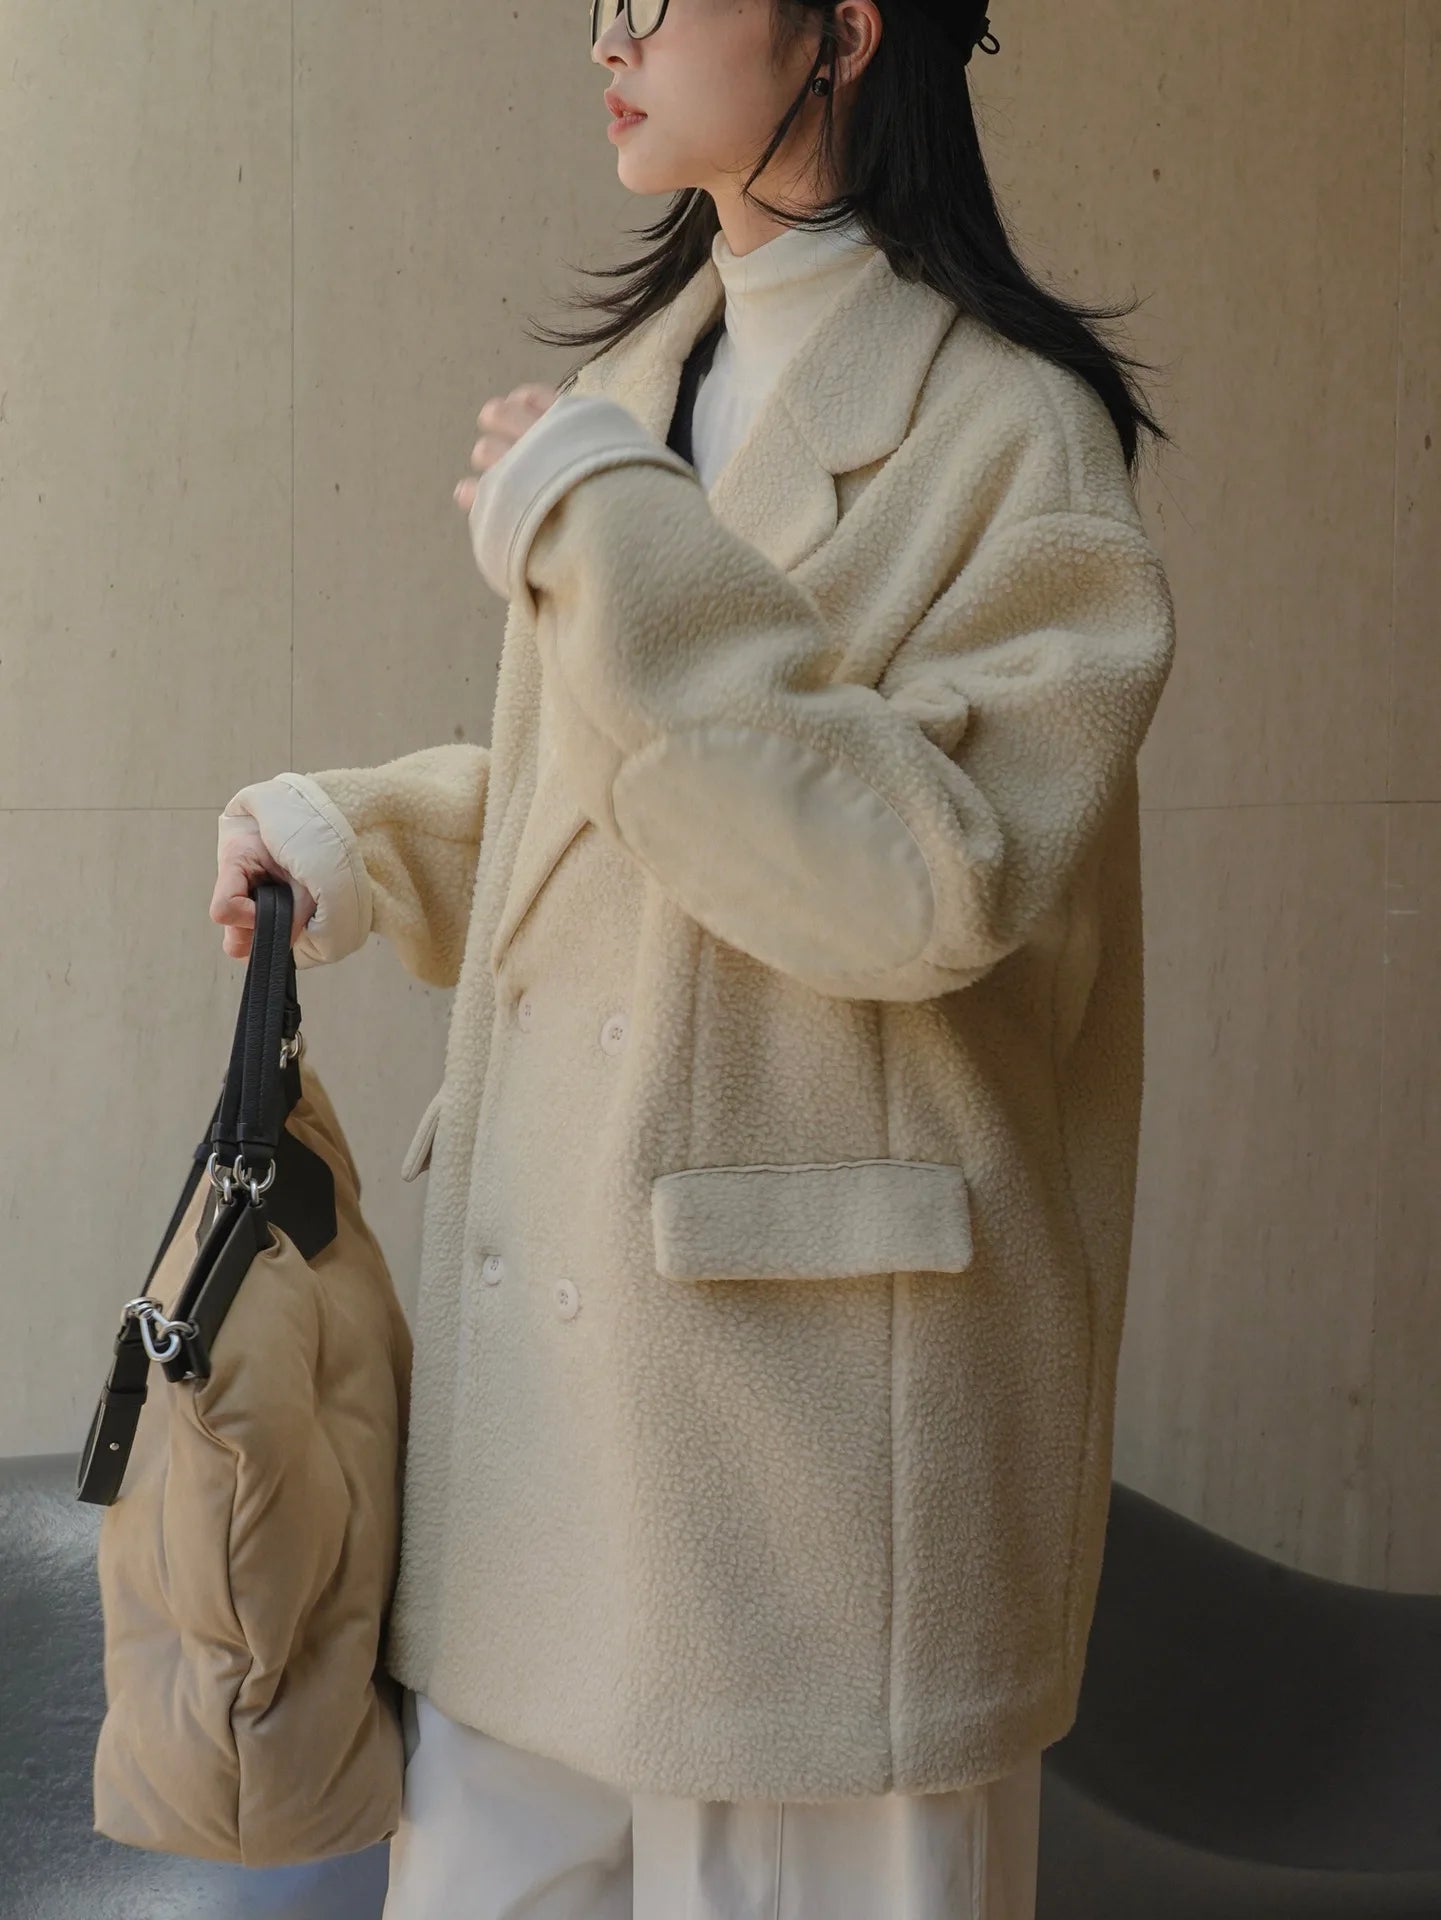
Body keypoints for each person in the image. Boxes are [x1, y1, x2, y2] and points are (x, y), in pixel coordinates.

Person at [210, 0, 1177, 1912]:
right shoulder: (638, 387)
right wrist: (365, 835)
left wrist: (608, 533)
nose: (607, 34)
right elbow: (617, 822)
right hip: (538, 1460)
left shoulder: (1011, 435)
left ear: (844, 29)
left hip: (812, 1478)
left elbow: (923, 881)